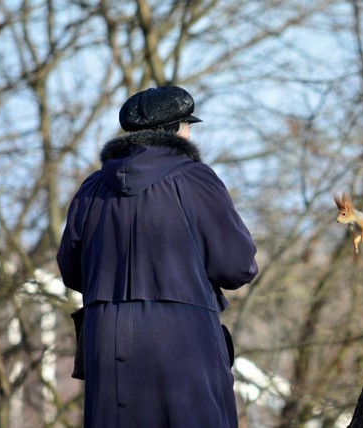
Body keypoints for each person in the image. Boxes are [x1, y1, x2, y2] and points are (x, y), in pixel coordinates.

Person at [57, 86, 258, 428]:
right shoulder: (194, 179)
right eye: (187, 124)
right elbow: (237, 266)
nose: (191, 133)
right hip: (182, 338)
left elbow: (71, 269)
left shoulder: (92, 188)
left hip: (106, 339)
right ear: (174, 130)